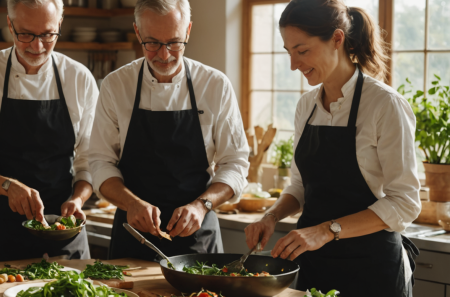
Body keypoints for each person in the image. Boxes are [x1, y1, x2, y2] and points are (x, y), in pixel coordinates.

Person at [244, 0, 421, 295]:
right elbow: (300, 186)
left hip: (372, 269)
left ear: (337, 39)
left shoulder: (384, 105)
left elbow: (405, 202)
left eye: (302, 51)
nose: (293, 64)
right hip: (315, 265)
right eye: (289, 52)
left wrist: (325, 231)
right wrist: (270, 216)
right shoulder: (306, 106)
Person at [88, 0, 249, 261]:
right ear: (138, 32)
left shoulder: (215, 85)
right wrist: (131, 203)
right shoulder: (116, 85)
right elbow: (100, 162)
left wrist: (202, 206)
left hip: (197, 240)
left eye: (174, 42)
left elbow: (235, 163)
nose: (164, 55)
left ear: (188, 31)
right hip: (133, 237)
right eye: (152, 43)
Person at [0, 0, 97, 262]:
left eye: (48, 35)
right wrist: (7, 186)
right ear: (10, 24)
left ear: (60, 24)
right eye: (26, 34)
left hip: (63, 233)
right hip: (0, 235)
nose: (37, 46)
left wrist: (78, 199)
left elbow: (90, 160)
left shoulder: (79, 79)